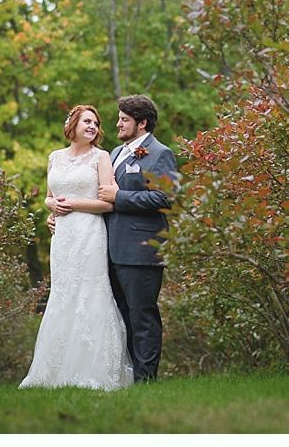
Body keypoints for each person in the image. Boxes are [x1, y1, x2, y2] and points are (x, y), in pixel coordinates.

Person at [19, 105, 134, 391]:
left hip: (90, 233)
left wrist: (72, 204)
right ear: (72, 124)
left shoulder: (101, 157)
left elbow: (108, 202)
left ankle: (94, 371)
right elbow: (49, 197)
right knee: (63, 294)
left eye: (96, 123)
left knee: (91, 295)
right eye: (87, 121)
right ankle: (53, 372)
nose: (93, 126)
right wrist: (52, 206)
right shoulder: (54, 157)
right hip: (63, 237)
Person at [97, 95, 178, 382]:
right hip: (109, 249)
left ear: (142, 123)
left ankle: (146, 380)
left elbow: (165, 197)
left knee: (142, 317)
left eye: (124, 120)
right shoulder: (114, 152)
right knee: (120, 317)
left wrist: (120, 197)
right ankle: (126, 376)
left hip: (142, 250)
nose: (117, 124)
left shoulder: (160, 153)